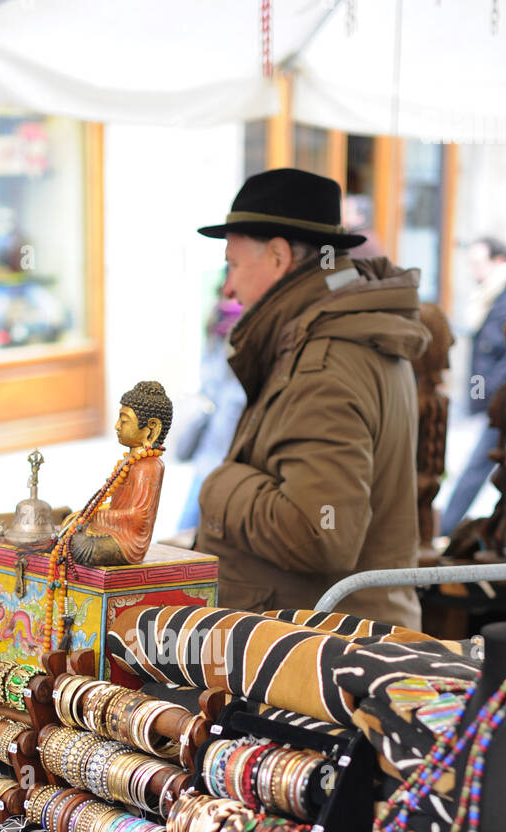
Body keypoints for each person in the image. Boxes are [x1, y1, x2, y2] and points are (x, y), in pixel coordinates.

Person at [193, 167, 429, 629]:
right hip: (334, 638)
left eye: (234, 264)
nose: (228, 287)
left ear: (279, 256)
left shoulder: (326, 361)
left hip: (322, 654)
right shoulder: (338, 332)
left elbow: (320, 533)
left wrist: (218, 487)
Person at [440, 237, 506, 536]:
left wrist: (490, 397)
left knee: (480, 467)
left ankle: (445, 531)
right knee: (493, 469)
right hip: (497, 400)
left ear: (498, 261)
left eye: (478, 263)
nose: (473, 271)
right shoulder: (492, 294)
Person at [175, 277, 245, 532]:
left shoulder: (222, 321)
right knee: (192, 523)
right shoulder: (221, 324)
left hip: (222, 454)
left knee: (195, 524)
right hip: (215, 450)